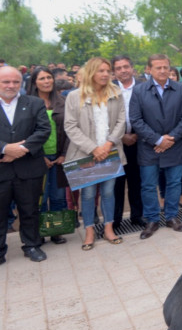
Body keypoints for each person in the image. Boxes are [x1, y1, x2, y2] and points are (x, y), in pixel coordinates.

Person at [63, 57, 127, 250]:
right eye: (101, 70)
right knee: (88, 194)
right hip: (85, 154)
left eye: (108, 71)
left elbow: (121, 122)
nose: (105, 74)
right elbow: (70, 126)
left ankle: (108, 228)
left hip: (110, 151)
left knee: (109, 192)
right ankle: (89, 230)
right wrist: (93, 148)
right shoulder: (75, 96)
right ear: (91, 72)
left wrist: (108, 145)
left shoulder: (116, 93)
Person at [130, 54, 182, 239]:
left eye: (166, 67)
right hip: (149, 147)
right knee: (149, 185)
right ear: (149, 69)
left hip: (175, 145)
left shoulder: (181, 90)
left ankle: (172, 216)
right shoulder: (139, 91)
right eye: (158, 67)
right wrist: (158, 140)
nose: (163, 70)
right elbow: (136, 119)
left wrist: (170, 138)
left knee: (174, 183)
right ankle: (152, 219)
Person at [0, 66, 52, 263]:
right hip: (2, 168)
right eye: (6, 82)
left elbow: (43, 130)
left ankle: (31, 245)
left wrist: (18, 151)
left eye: (15, 82)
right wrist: (5, 149)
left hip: (28, 168)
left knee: (29, 210)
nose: (11, 85)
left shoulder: (34, 103)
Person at [26, 66, 69, 246]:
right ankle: (40, 232)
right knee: (40, 197)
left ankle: (56, 231)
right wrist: (39, 155)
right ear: (34, 83)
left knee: (58, 196)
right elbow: (25, 132)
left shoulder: (63, 101)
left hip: (59, 156)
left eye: (49, 78)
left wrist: (64, 154)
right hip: (36, 157)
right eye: (42, 78)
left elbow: (70, 130)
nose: (46, 82)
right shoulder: (26, 103)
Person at [111, 55, 144, 228]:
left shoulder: (143, 87)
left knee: (136, 181)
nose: (123, 70)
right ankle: (115, 219)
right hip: (115, 142)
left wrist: (138, 134)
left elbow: (150, 113)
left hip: (139, 141)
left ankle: (137, 216)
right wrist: (121, 136)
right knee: (116, 183)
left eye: (126, 66)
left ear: (132, 67)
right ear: (113, 72)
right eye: (118, 68)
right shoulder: (107, 89)